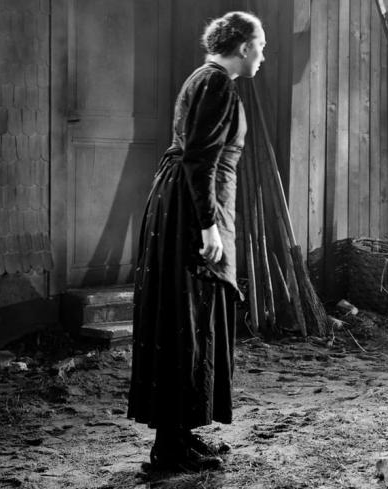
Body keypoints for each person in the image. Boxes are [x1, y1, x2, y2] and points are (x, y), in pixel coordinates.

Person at [127, 11, 266, 472]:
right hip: (191, 210)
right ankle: (169, 448)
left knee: (190, 316)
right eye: (260, 46)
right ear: (243, 46)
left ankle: (180, 433)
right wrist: (208, 226)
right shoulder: (217, 83)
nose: (263, 56)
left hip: (186, 202)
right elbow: (200, 159)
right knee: (185, 317)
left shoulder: (205, 79)